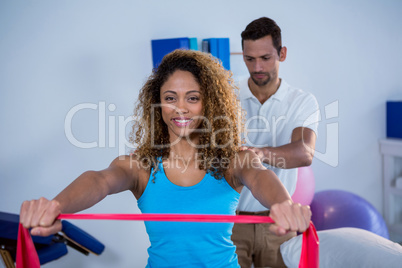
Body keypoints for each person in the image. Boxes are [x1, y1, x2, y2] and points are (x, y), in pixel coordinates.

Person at [19, 49, 311, 268]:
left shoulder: (233, 160)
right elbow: (99, 180)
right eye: (171, 98)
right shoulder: (139, 166)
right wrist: (55, 206)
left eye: (193, 98)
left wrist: (283, 206)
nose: (180, 108)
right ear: (158, 104)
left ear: (209, 104)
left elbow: (260, 177)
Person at [232, 17, 320, 268]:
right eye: (250, 59)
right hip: (229, 223)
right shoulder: (227, 94)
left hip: (278, 224)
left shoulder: (302, 101)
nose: (257, 66)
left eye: (265, 58)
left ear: (282, 53)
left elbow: (304, 152)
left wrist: (258, 153)